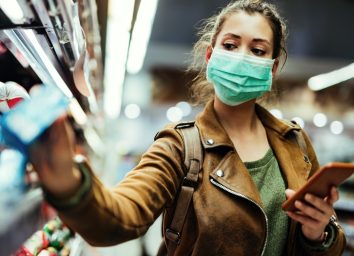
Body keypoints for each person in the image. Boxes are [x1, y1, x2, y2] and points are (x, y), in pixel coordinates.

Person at [29, 0, 346, 255]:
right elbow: (122, 215)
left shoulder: (295, 143)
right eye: (231, 45)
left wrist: (318, 234)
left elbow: (324, 241)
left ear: (273, 68)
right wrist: (70, 185)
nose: (241, 57)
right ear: (210, 56)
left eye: (258, 50)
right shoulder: (180, 145)